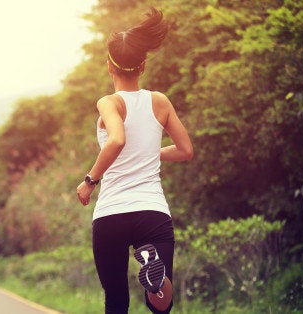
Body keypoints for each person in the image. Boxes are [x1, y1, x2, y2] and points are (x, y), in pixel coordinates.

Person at [76, 6, 193, 314]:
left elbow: (116, 139)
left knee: (116, 301)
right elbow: (185, 151)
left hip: (111, 213)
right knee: (161, 306)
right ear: (142, 66)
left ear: (109, 67)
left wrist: (90, 181)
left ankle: (154, 279)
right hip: (152, 211)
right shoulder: (160, 101)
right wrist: (148, 154)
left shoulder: (109, 102)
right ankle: (156, 280)